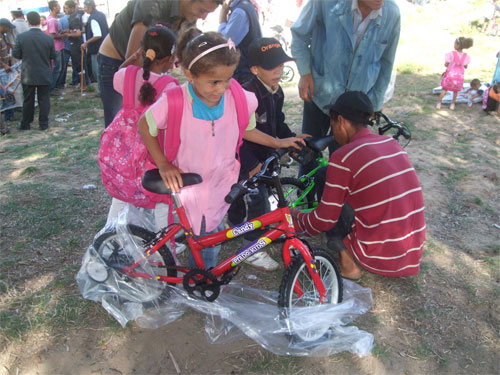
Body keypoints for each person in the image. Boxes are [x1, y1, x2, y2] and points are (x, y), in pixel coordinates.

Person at [136, 30, 305, 269]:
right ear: (190, 76)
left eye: (228, 79)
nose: (221, 88)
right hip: (190, 184)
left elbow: (245, 129)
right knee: (207, 237)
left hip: (222, 179)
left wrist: (279, 143)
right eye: (214, 82)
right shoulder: (174, 101)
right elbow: (145, 125)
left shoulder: (239, 98)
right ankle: (204, 278)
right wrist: (163, 163)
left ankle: (204, 274)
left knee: (211, 231)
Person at [292, 91, 426, 280]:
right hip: (410, 252)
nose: (334, 135)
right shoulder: (391, 143)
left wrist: (296, 217)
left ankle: (348, 263)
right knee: (326, 174)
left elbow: (324, 220)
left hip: (378, 255)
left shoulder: (343, 156)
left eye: (333, 127)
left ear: (341, 121)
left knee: (327, 181)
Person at [290, 0, 401, 175]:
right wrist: (305, 73)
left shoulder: (392, 13)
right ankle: (306, 200)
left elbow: (387, 62)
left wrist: (375, 102)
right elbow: (299, 36)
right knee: (309, 152)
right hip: (319, 94)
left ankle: (337, 201)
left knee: (346, 161)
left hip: (355, 105)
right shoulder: (325, 3)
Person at [227, 37, 308, 270]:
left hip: (266, 154)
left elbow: (277, 122)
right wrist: (250, 162)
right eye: (272, 67)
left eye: (281, 66)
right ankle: (251, 246)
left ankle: (235, 226)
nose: (278, 72)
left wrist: (292, 137)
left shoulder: (276, 91)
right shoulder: (247, 94)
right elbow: (238, 134)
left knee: (249, 194)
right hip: (245, 155)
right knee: (256, 197)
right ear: (254, 69)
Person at [98, 0, 222, 128]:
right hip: (117, 60)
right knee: (121, 128)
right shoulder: (153, 4)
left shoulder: (189, 13)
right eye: (202, 11)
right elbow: (135, 60)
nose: (203, 17)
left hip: (141, 68)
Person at [104, 25, 180, 228]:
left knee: (121, 195)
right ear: (170, 58)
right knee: (163, 201)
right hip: (150, 153)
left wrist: (134, 59)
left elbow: (118, 74)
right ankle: (162, 247)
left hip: (123, 153)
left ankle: (108, 236)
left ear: (142, 51)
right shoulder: (170, 86)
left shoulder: (126, 76)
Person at [12, 11, 56, 131]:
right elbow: (53, 55)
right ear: (39, 21)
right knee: (44, 99)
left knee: (28, 99)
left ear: (28, 21)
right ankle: (43, 124)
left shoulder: (22, 37)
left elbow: (15, 54)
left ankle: (26, 124)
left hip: (28, 73)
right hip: (44, 72)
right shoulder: (48, 38)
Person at [218, 0, 262, 85]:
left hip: (243, 71)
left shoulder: (239, 12)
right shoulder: (247, 6)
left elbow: (226, 43)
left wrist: (222, 20)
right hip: (248, 68)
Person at [436, 37, 473, 110]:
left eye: (455, 43)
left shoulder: (451, 54)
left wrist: (448, 65)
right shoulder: (465, 56)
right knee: (455, 91)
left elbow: (446, 64)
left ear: (458, 45)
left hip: (450, 76)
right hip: (459, 78)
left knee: (445, 89)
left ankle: (439, 103)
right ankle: (452, 104)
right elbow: (465, 66)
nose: (454, 45)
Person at [81, 0, 108, 95]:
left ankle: (102, 91)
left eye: (85, 7)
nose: (84, 9)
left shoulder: (92, 18)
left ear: (90, 7)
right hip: (105, 46)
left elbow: (97, 35)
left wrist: (86, 43)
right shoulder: (101, 15)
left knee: (97, 70)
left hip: (96, 48)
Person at [64, 0, 87, 87]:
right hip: (77, 43)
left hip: (76, 43)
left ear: (72, 8)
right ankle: (83, 83)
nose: (65, 10)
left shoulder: (74, 18)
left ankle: (83, 85)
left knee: (79, 65)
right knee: (79, 64)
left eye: (66, 8)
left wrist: (68, 34)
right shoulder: (75, 15)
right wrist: (69, 31)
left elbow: (77, 33)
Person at [0, 18, 16, 135]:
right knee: (5, 92)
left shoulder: (2, 36)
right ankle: (7, 115)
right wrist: (4, 64)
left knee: (8, 90)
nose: (9, 29)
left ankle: (9, 114)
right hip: (1, 68)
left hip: (4, 66)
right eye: (8, 27)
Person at [47, 1, 65, 95]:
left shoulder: (53, 19)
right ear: (54, 7)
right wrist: (65, 35)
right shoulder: (52, 20)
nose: (60, 8)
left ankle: (55, 85)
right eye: (58, 6)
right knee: (57, 68)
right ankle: (52, 87)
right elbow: (52, 35)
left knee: (59, 67)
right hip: (56, 47)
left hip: (59, 46)